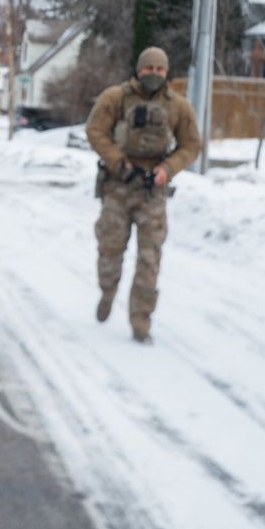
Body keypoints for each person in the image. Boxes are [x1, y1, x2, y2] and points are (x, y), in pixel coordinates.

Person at [84, 47, 202, 343]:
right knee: (110, 249)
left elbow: (191, 145)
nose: (154, 74)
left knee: (149, 258)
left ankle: (140, 320)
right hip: (118, 186)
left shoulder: (178, 106)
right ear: (139, 69)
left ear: (167, 72)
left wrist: (167, 169)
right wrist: (119, 164)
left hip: (153, 191)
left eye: (160, 70)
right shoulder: (116, 97)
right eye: (148, 68)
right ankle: (107, 292)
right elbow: (95, 130)